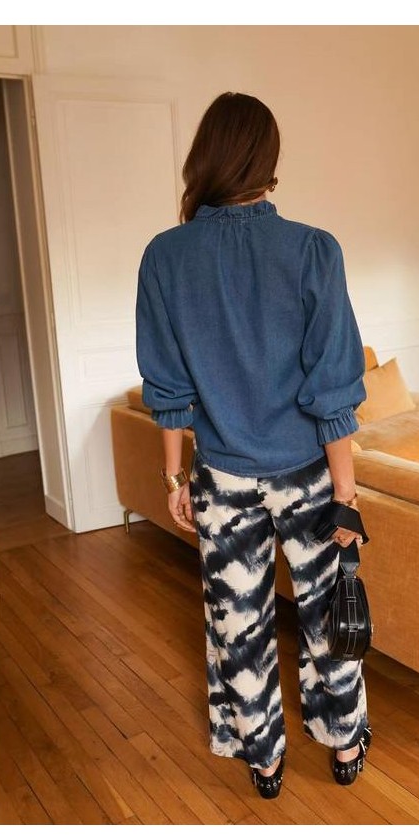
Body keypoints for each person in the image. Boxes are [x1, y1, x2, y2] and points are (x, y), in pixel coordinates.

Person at [134, 91, 373, 801]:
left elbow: (168, 387)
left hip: (223, 480)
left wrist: (174, 478)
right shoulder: (313, 250)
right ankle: (343, 739)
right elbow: (333, 390)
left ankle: (263, 758)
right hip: (307, 476)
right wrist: (346, 495)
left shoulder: (165, 257)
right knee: (328, 613)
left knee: (238, 625)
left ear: (204, 157)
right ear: (268, 160)